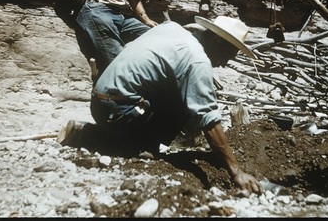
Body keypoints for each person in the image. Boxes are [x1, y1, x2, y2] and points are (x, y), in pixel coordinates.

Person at [58, 15, 263, 195]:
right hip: (119, 113)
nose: (227, 62)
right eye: (230, 53)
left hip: (100, 102)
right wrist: (235, 170)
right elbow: (206, 116)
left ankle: (91, 135)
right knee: (188, 99)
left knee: (182, 89)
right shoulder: (196, 60)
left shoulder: (172, 28)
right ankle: (138, 147)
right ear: (217, 41)